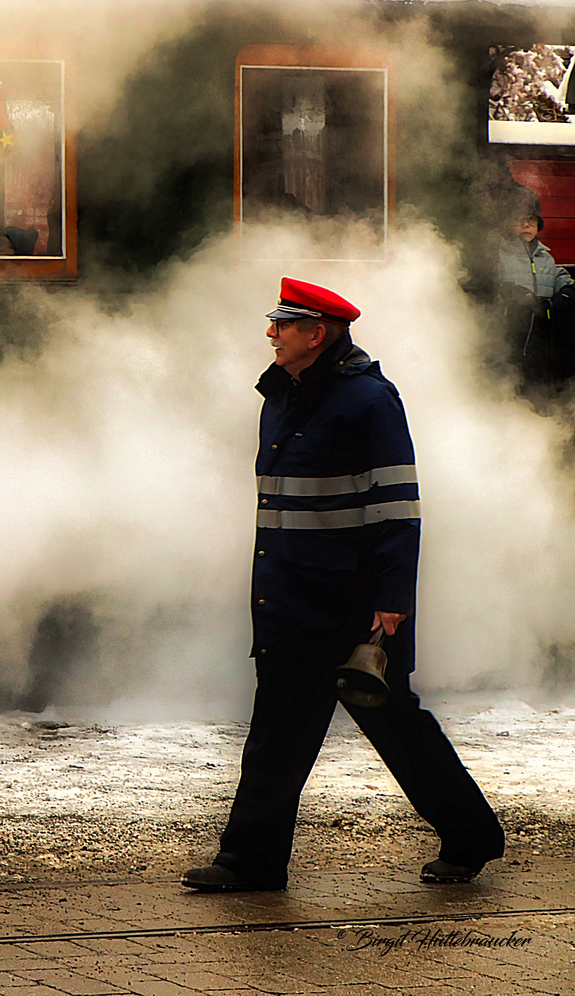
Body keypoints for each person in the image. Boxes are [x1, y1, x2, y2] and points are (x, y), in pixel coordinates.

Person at [183, 278, 503, 892]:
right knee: (278, 728)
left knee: (395, 726)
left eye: (283, 323)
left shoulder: (369, 401)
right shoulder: (280, 394)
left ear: (318, 333)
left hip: (352, 605)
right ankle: (251, 860)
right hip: (288, 598)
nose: (271, 333)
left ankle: (471, 837)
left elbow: (397, 508)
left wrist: (391, 602)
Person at [496, 185, 573, 383]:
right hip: (511, 332)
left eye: (531, 219)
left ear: (538, 224)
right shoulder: (500, 254)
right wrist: (513, 294)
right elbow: (493, 284)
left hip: (542, 335)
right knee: (510, 378)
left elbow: (561, 278)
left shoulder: (545, 257)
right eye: (518, 220)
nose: (525, 225)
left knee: (538, 379)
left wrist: (566, 292)